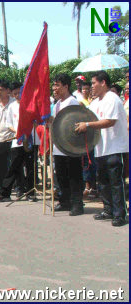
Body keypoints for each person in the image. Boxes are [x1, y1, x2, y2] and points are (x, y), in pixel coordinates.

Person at [75, 71, 129, 226]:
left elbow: (109, 122)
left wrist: (88, 125)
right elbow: (86, 119)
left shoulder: (112, 99)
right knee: (103, 182)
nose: (91, 86)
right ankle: (108, 209)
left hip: (114, 148)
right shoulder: (94, 103)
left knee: (115, 182)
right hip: (100, 148)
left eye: (93, 83)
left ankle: (120, 214)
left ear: (103, 82)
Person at [0, 83, 34, 202]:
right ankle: (5, 193)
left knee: (30, 168)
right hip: (17, 142)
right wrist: (17, 131)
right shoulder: (12, 106)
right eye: (14, 93)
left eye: (19, 93)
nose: (17, 96)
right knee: (14, 167)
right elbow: (9, 124)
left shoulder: (30, 105)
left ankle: (31, 192)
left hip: (30, 141)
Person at [50, 74, 84, 216]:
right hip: (59, 146)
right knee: (61, 175)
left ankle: (77, 204)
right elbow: (56, 123)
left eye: (57, 85)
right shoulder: (57, 104)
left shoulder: (72, 102)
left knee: (74, 176)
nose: (55, 88)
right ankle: (65, 202)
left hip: (71, 147)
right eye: (54, 85)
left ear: (66, 86)